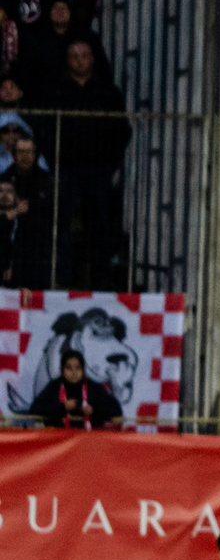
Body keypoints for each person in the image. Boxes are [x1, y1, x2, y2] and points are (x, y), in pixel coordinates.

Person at [38, 39, 129, 287]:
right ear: (67, 60)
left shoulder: (108, 93)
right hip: (64, 168)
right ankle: (60, 283)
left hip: (98, 169)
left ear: (93, 58)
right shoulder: (56, 91)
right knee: (60, 228)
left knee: (99, 227)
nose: (80, 60)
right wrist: (52, 159)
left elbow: (122, 131)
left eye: (85, 55)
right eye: (74, 56)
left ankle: (101, 283)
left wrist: (111, 162)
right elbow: (43, 128)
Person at [27, 345, 118, 429]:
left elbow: (116, 411)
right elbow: (34, 411)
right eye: (69, 368)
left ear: (83, 369)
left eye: (78, 368)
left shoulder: (94, 388)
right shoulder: (54, 387)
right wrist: (62, 408)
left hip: (91, 442)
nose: (74, 372)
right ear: (62, 370)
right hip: (60, 442)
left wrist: (94, 411)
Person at [0, 174, 53, 289]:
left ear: (17, 197)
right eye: (0, 191)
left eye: (9, 191)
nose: (4, 195)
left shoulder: (25, 223)